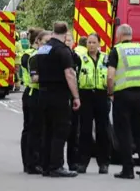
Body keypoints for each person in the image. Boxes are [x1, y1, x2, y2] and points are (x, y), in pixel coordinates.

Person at [107, 24, 140, 179]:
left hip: (122, 95)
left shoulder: (117, 50)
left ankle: (128, 170)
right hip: (138, 95)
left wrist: (110, 92)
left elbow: (110, 76)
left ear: (119, 35)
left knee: (124, 133)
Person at [36, 22, 81, 177]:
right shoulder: (63, 50)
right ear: (66, 32)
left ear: (54, 31)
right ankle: (56, 166)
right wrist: (76, 96)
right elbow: (69, 73)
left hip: (42, 94)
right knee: (60, 130)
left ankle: (46, 165)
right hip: (58, 95)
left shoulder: (43, 49)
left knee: (47, 130)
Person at [76, 33, 110, 174]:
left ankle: (103, 163)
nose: (91, 45)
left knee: (103, 130)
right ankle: (83, 162)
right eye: (89, 42)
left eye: (93, 42)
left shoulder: (106, 58)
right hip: (86, 95)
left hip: (102, 95)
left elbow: (112, 75)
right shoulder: (80, 58)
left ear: (99, 44)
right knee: (85, 130)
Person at [26, 30, 52, 174]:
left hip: (47, 94)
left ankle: (43, 161)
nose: (47, 45)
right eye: (44, 42)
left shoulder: (50, 57)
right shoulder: (35, 57)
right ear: (38, 42)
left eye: (49, 42)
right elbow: (34, 78)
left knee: (45, 130)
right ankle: (33, 163)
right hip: (35, 94)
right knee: (35, 131)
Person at [20, 27, 43, 173]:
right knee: (32, 130)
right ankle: (31, 163)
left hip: (31, 92)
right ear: (37, 41)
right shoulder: (31, 56)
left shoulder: (28, 54)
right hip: (33, 91)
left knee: (30, 130)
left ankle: (29, 163)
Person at [65, 32, 82, 171]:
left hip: (73, 97)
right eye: (65, 40)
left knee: (74, 132)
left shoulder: (76, 58)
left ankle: (73, 162)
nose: (67, 42)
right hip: (61, 97)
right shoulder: (59, 55)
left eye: (69, 40)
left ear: (73, 42)